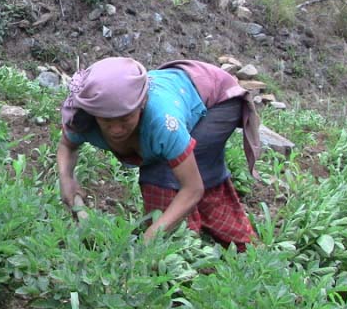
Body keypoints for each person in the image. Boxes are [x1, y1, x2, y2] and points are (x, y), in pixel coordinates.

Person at [56, 57, 262, 250]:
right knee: (166, 168)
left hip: (217, 98)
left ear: (142, 105)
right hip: (179, 88)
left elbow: (193, 188)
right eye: (107, 121)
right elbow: (67, 146)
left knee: (167, 173)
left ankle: (190, 248)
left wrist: (153, 234)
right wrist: (66, 178)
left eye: (125, 119)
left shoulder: (163, 122)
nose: (116, 129)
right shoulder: (84, 116)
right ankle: (185, 239)